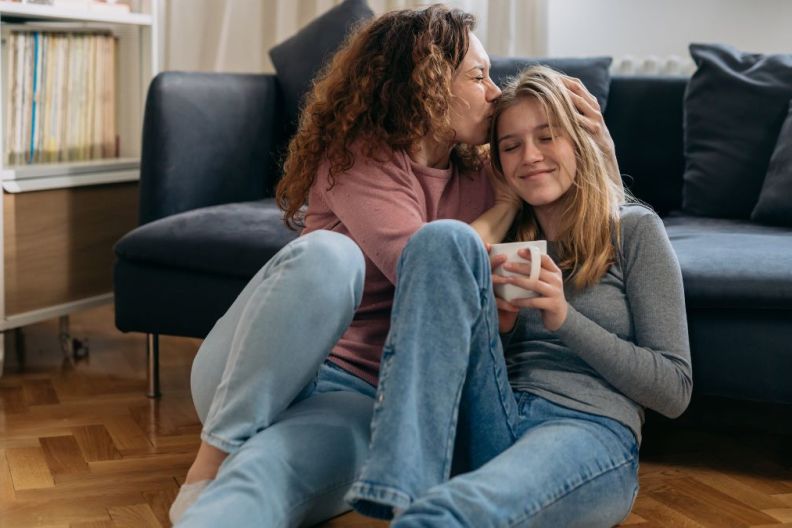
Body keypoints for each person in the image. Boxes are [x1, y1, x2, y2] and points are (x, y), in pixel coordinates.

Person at [169, 5, 529, 526]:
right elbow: (427, 269)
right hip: (253, 371)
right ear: (425, 84)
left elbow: (574, 189)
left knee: (265, 478)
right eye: (477, 76)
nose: (494, 92)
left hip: (358, 397)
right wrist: (503, 210)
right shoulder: (359, 156)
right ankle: (210, 461)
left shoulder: (483, 172)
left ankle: (224, 490)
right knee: (329, 256)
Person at [345, 65, 693, 527]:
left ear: (577, 140)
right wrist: (500, 326)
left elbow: (674, 390)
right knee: (441, 239)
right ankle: (400, 482)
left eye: (547, 137)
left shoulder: (635, 230)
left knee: (448, 513)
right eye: (511, 146)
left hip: (586, 428)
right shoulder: (510, 241)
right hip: (495, 416)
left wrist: (564, 318)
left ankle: (416, 506)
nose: (530, 156)